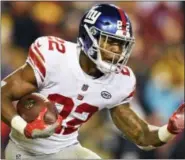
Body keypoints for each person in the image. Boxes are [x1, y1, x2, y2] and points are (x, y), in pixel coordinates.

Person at [1, 4, 184, 159]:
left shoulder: (120, 81)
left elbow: (142, 135)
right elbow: (2, 95)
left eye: (121, 45)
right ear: (89, 36)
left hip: (66, 150)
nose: (117, 51)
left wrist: (170, 129)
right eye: (110, 41)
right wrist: (24, 128)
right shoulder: (53, 56)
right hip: (26, 151)